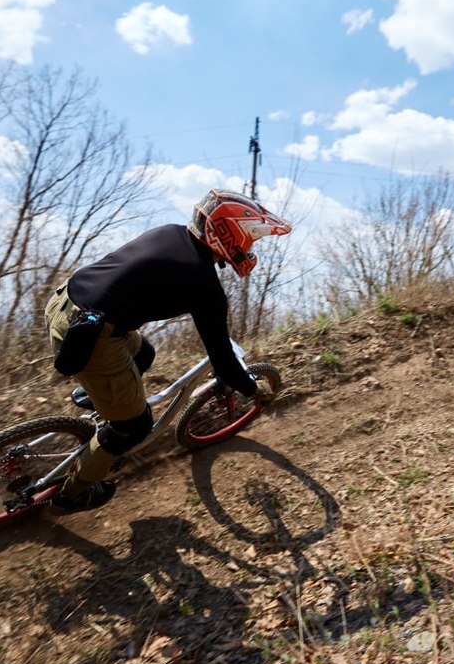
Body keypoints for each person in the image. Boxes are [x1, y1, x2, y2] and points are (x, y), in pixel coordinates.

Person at [44, 189, 292, 513]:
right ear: (232, 237)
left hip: (64, 302)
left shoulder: (171, 232)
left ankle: (100, 398)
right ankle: (71, 495)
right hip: (89, 336)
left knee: (144, 353)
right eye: (251, 239)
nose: (251, 247)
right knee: (133, 428)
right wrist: (253, 389)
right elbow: (223, 361)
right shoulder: (205, 286)